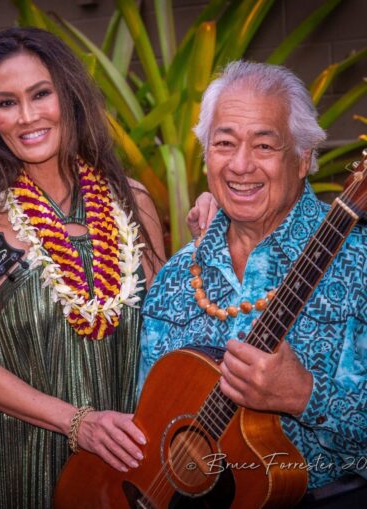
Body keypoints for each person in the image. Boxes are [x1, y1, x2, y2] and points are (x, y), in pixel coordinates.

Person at [0, 27, 219, 508]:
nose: (27, 116)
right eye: (7, 103)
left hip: (122, 457)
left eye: (40, 94)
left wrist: (212, 237)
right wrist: (76, 422)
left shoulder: (130, 201)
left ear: (68, 95)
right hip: (19, 456)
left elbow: (166, 326)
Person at [138, 61, 366, 506]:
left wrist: (305, 396)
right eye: (224, 143)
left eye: (264, 145)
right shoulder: (173, 282)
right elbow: (150, 434)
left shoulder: (358, 263)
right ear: (206, 156)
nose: (240, 165)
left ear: (302, 160)